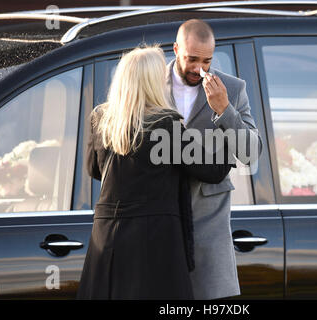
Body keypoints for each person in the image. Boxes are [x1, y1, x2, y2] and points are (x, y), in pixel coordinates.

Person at [76, 45, 234, 300]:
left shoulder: (100, 117)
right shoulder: (165, 124)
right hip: (153, 242)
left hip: (105, 240)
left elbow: (93, 169)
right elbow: (213, 170)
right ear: (152, 81)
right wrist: (224, 115)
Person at [167, 19, 262, 300]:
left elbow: (250, 153)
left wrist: (224, 109)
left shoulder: (231, 89)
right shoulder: (149, 84)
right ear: (175, 49)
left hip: (209, 231)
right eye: (191, 59)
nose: (199, 69)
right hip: (160, 223)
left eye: (206, 61)